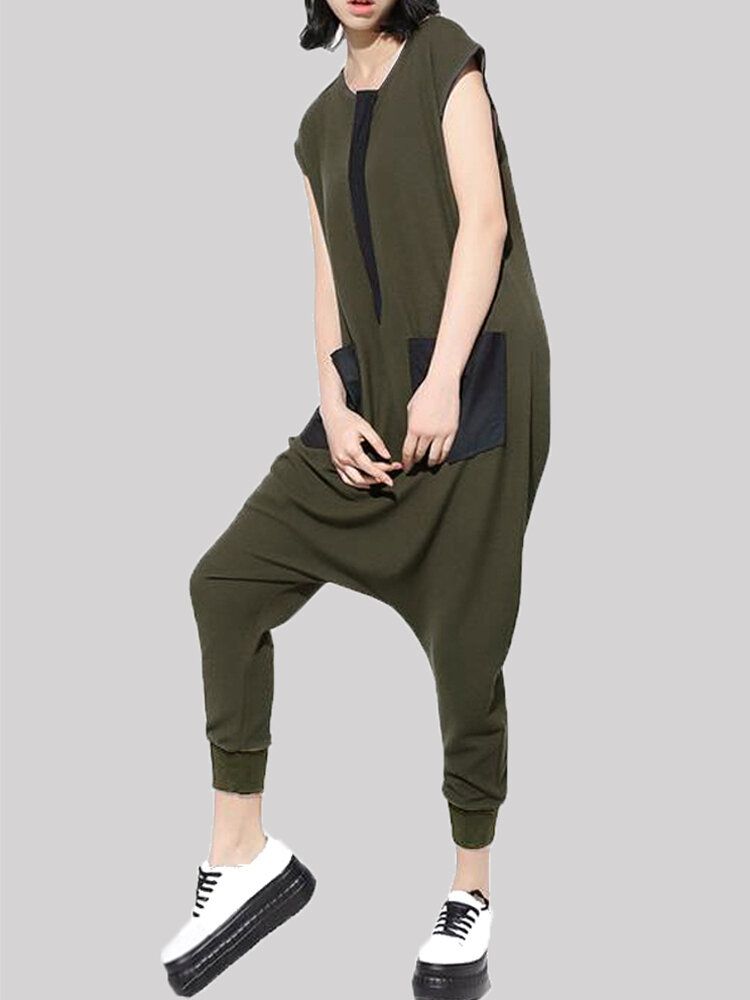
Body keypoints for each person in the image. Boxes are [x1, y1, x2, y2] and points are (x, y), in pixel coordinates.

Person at [160, 2, 551, 997]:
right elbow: (328, 270)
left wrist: (443, 379)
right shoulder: (316, 126)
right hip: (370, 400)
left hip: (474, 385)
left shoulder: (446, 57)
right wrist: (332, 404)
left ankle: (470, 891)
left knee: (467, 643)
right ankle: (241, 851)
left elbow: (486, 221)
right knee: (225, 584)